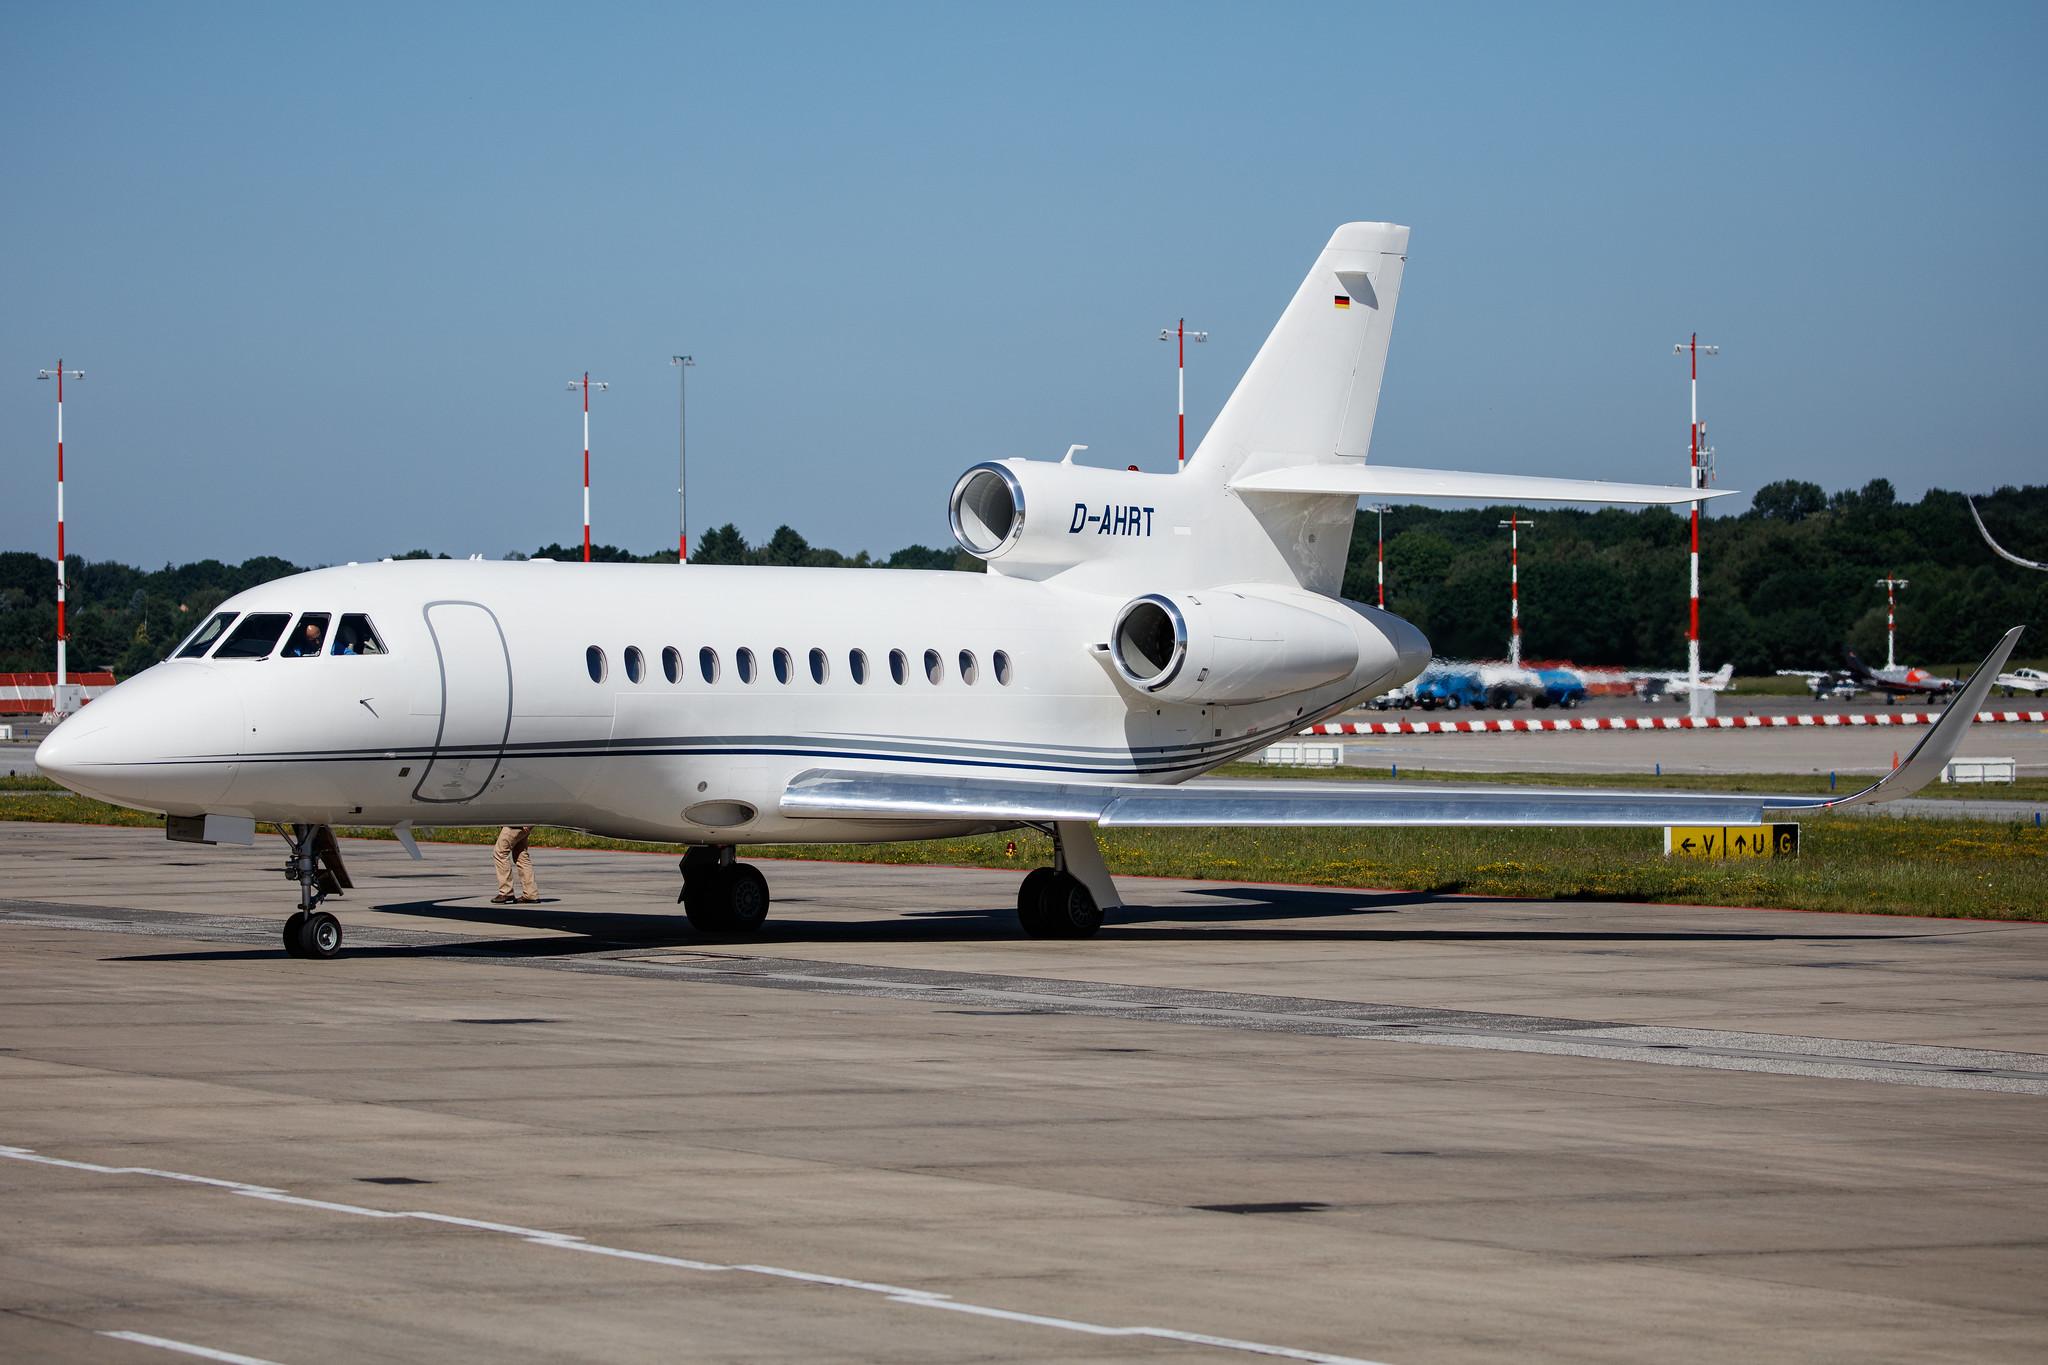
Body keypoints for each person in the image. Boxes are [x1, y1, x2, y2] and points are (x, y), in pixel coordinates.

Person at [492, 825, 539, 904]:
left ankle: (506, 891)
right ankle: (530, 894)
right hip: (524, 822)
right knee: (521, 855)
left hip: (514, 824)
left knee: (500, 852)